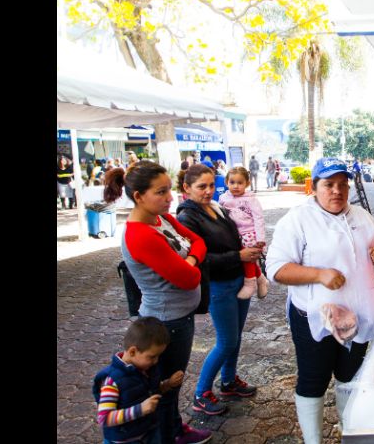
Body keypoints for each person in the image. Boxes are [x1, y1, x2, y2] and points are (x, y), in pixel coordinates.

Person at [266, 157, 374, 444]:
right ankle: (313, 440)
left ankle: (349, 431)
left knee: (350, 377)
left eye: (342, 185)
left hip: (358, 314)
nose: (337, 191)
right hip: (316, 318)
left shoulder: (361, 215)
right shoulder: (297, 220)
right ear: (314, 187)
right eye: (329, 185)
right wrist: (318, 274)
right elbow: (275, 268)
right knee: (314, 379)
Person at [103, 161, 213, 444]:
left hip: (179, 317)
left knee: (171, 384)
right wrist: (191, 264)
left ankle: (174, 429)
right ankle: (166, 435)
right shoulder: (141, 234)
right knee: (164, 388)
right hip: (167, 322)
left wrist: (189, 261)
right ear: (139, 196)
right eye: (161, 192)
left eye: (169, 190)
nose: (170, 198)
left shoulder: (160, 219)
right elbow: (188, 280)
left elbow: (198, 242)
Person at [176, 164, 262, 418]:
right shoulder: (187, 217)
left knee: (235, 338)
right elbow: (200, 258)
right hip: (218, 285)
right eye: (201, 186)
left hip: (238, 279)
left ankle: (228, 382)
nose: (208, 191)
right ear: (186, 188)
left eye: (212, 185)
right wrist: (239, 255)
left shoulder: (216, 207)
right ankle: (201, 394)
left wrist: (250, 249)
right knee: (226, 342)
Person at [92, 317, 185, 444]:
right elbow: (105, 418)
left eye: (158, 356)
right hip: (125, 439)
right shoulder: (112, 381)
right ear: (133, 351)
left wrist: (168, 384)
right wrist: (140, 409)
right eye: (152, 357)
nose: (156, 361)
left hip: (148, 432)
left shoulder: (145, 369)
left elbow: (151, 393)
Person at [218, 167, 269, 299]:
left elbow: (259, 218)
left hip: (249, 233)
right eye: (232, 182)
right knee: (242, 256)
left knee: (249, 257)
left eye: (240, 183)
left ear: (247, 183)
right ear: (226, 182)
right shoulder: (223, 198)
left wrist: (260, 238)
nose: (236, 186)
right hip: (233, 234)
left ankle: (250, 283)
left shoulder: (250, 199)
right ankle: (261, 278)